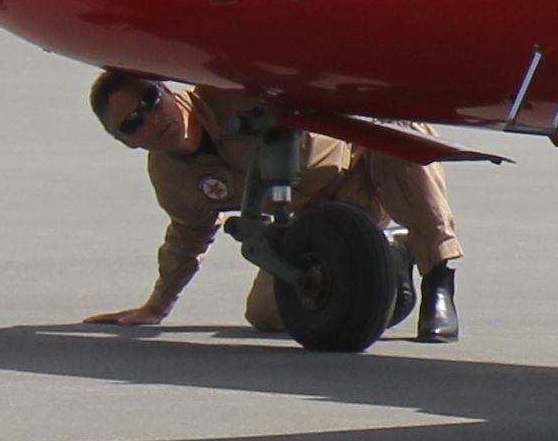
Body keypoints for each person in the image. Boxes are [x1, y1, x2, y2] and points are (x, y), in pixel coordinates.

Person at [79, 72, 459, 341]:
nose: (152, 118)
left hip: (361, 172)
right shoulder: (170, 177)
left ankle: (438, 281)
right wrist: (157, 306)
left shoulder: (233, 88)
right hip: (314, 224)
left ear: (167, 90)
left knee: (400, 137)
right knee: (268, 313)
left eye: (150, 99)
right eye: (132, 122)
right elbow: (187, 234)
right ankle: (390, 262)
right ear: (128, 142)